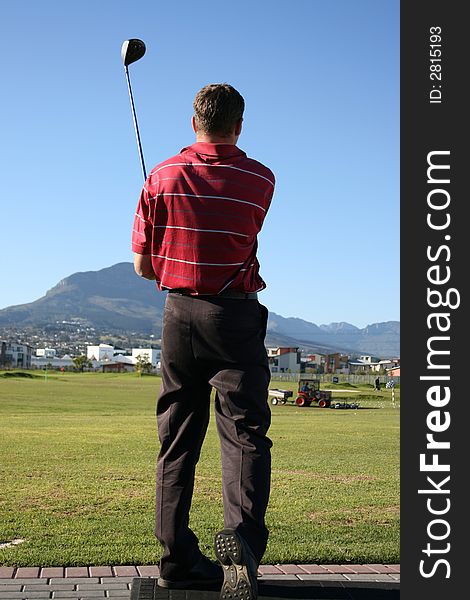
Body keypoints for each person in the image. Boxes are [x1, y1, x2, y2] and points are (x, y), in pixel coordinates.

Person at [131, 83, 275, 600]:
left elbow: (144, 266)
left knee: (176, 438)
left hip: (178, 317)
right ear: (239, 124)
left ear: (194, 122)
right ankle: (243, 543)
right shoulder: (261, 179)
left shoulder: (160, 176)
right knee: (245, 435)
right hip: (234, 319)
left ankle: (175, 557)